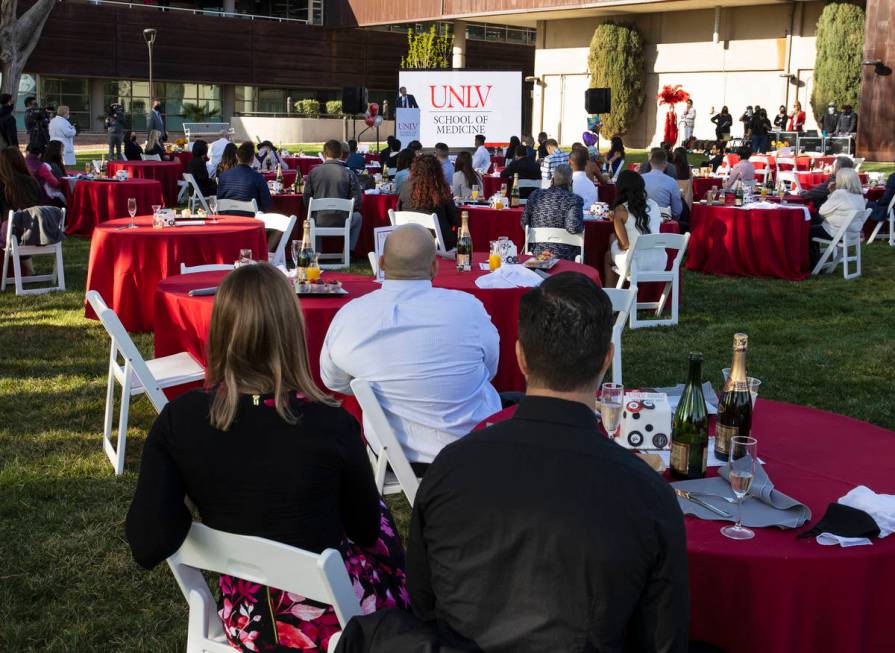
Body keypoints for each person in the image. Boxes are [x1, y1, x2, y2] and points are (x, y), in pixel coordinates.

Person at [125, 263, 408, 653]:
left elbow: (146, 542)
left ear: (221, 331)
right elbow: (364, 531)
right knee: (378, 515)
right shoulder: (332, 424)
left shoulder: (181, 421)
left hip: (247, 621)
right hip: (336, 625)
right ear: (292, 333)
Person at [406, 271, 689, 653]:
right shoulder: (648, 494)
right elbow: (662, 640)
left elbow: (423, 602)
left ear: (520, 356)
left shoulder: (451, 467)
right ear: (607, 358)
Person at [321, 224, 500, 468]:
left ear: (382, 264)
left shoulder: (351, 315)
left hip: (397, 454)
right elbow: (490, 369)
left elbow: (333, 381)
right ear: (435, 267)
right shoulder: (468, 308)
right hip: (473, 450)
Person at [604, 170, 667, 285]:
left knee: (608, 254)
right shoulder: (654, 205)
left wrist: (616, 224)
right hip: (659, 261)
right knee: (614, 239)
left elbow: (624, 245)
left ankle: (612, 296)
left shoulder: (621, 210)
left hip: (636, 263)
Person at [304, 139, 363, 249]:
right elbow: (358, 202)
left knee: (310, 217)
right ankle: (349, 251)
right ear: (341, 154)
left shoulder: (313, 173)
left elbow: (307, 201)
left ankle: (317, 251)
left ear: (324, 154)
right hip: (343, 220)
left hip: (319, 220)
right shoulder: (349, 173)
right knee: (358, 217)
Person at [521, 164, 584, 261]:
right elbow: (573, 227)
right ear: (571, 183)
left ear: (552, 180)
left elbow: (524, 223)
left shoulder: (535, 195)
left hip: (537, 252)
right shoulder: (575, 199)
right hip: (565, 255)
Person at [397, 154, 460, 250]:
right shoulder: (440, 188)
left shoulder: (405, 186)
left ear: (415, 169)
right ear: (437, 170)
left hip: (409, 240)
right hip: (438, 243)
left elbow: (399, 209)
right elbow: (453, 219)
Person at [0, 147, 46, 277]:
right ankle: (30, 270)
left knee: (11, 226)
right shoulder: (32, 182)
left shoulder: (4, 185)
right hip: (38, 232)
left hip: (13, 234)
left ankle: (26, 270)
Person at [809, 168, 866, 266]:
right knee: (815, 226)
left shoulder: (840, 193)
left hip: (837, 233)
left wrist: (831, 193)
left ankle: (813, 264)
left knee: (807, 231)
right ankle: (815, 261)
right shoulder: (859, 195)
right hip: (852, 233)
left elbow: (822, 211)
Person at [216, 141, 272, 213]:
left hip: (228, 219)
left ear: (236, 156)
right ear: (252, 159)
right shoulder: (258, 177)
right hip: (251, 220)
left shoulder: (223, 176)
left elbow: (219, 202)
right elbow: (267, 205)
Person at [640, 148, 683, 218]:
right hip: (664, 220)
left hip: (643, 218)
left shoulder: (640, 178)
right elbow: (677, 211)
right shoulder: (671, 182)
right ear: (666, 164)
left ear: (650, 162)